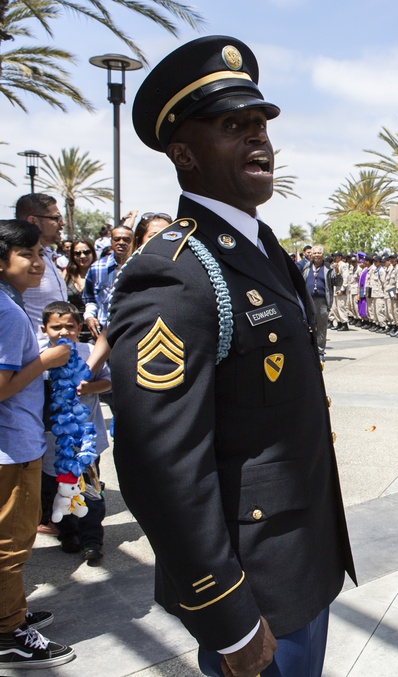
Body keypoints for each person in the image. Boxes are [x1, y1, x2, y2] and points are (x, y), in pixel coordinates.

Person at [108, 36, 355, 676]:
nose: (258, 140)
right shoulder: (178, 275)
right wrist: (226, 616)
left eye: (259, 124)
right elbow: (160, 464)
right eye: (231, 126)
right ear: (182, 153)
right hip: (254, 591)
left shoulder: (260, 246)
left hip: (300, 563)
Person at [0, 219, 75, 668]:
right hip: (12, 447)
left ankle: (12, 611)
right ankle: (9, 631)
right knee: (11, 542)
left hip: (15, 442)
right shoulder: (8, 313)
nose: (38, 262)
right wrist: (46, 360)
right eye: (29, 254)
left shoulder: (10, 304)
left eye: (41, 253)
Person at [38, 301, 111, 563]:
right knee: (56, 489)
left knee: (90, 491)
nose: (63, 331)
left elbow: (107, 381)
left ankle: (92, 539)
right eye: (56, 327)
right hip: (51, 443)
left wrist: (88, 388)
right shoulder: (39, 355)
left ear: (79, 327)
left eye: (70, 326)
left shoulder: (89, 351)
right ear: (44, 328)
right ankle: (68, 533)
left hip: (85, 442)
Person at [14, 194, 68, 337]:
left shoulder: (49, 255)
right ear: (34, 221)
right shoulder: (16, 265)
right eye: (55, 218)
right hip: (34, 353)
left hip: (58, 349)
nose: (62, 223)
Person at [82, 225, 134, 341]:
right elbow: (90, 298)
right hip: (103, 333)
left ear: (133, 241)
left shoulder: (141, 266)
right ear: (111, 241)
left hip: (132, 332)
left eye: (126, 239)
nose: (121, 243)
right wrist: (89, 316)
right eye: (117, 239)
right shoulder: (97, 268)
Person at [301, 245, 334, 360]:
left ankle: (320, 352)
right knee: (308, 326)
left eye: (319, 253)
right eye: (314, 253)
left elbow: (338, 282)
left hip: (322, 302)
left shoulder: (328, 268)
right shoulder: (306, 267)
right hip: (308, 301)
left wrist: (338, 273)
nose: (316, 255)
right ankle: (309, 350)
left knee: (321, 327)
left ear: (323, 255)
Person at [63, 239, 96, 343]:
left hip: (96, 329)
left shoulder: (100, 273)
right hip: (73, 330)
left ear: (93, 253)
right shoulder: (66, 274)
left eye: (86, 252)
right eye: (77, 253)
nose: (82, 256)